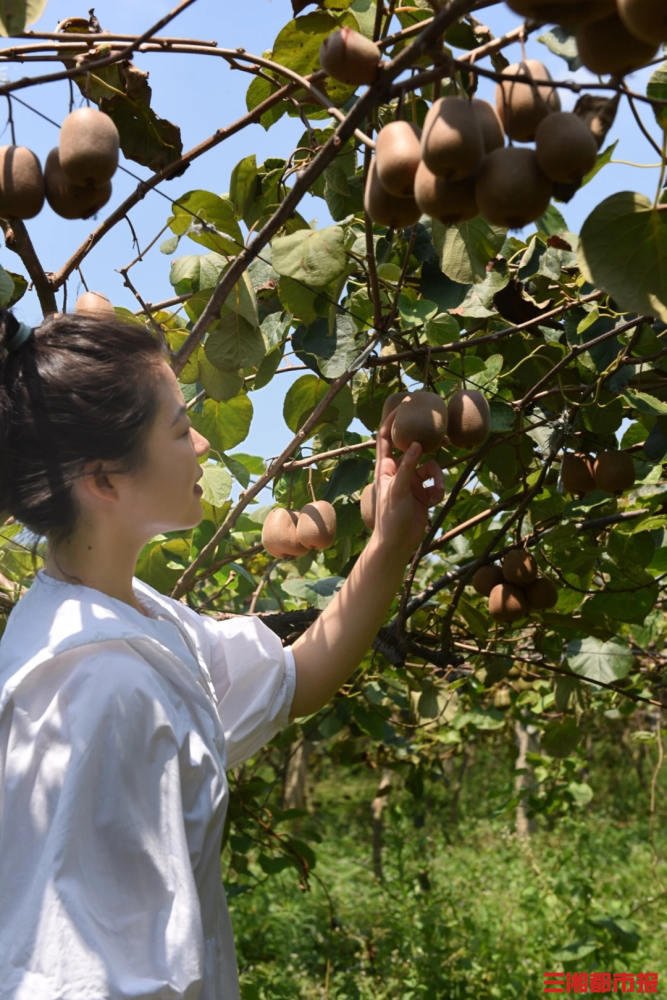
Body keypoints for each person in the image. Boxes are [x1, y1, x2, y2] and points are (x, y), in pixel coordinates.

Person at [0, 309, 444, 1000]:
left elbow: (292, 679)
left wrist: (389, 544)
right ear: (106, 480)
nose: (202, 442)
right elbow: (77, 979)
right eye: (179, 429)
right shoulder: (96, 685)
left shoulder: (136, 617)